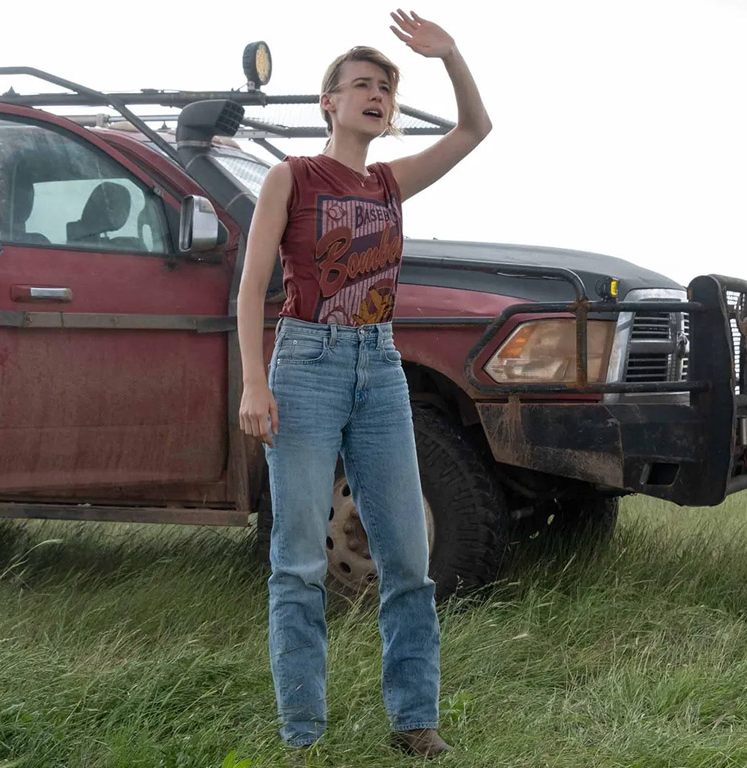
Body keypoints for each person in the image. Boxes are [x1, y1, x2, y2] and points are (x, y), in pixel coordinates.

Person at [235, 9, 491, 757]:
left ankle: (415, 724)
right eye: (362, 85)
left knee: (407, 562)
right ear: (329, 102)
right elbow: (250, 287)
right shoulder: (291, 178)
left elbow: (474, 129)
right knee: (299, 562)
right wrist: (254, 384)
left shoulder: (389, 183)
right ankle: (303, 734)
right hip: (305, 366)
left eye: (385, 87)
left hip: (379, 369)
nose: (377, 95)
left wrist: (450, 55)